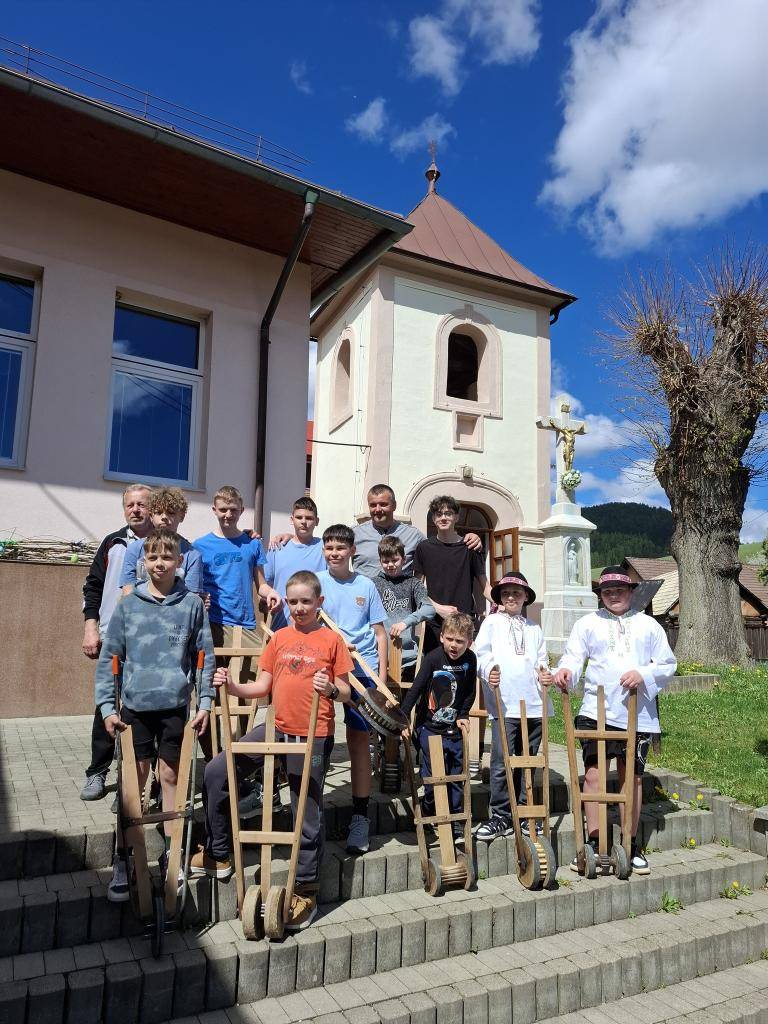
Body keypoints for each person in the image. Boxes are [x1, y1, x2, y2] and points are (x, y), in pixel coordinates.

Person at [192, 570, 354, 930]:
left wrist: (330, 688)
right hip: (276, 728)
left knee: (304, 812)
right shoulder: (279, 638)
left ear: (319, 603)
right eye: (292, 601)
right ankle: (220, 853)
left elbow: (346, 692)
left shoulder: (332, 641)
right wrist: (232, 686)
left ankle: (306, 890)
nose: (298, 608)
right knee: (218, 770)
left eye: (305, 602)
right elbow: (262, 686)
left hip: (312, 735)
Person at [95, 529, 215, 901]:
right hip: (135, 708)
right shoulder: (129, 604)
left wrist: (206, 702)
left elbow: (204, 657)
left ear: (179, 561)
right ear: (143, 562)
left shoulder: (191, 604)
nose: (159, 563)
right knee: (135, 782)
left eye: (167, 557)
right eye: (152, 557)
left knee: (171, 778)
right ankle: (124, 857)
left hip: (175, 708)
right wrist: (107, 707)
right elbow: (109, 657)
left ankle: (171, 856)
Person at [553, 565, 677, 876]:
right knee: (594, 777)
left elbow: (667, 663)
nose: (613, 595)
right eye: (607, 591)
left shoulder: (649, 626)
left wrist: (643, 673)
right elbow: (573, 655)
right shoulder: (588, 623)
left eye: (619, 590)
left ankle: (630, 844)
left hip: (638, 714)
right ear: (601, 595)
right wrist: (566, 671)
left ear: (631, 592)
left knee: (631, 778)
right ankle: (595, 843)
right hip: (596, 711)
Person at [317, 523, 388, 854]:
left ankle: (360, 818)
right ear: (324, 551)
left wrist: (381, 679)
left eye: (340, 548)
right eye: (329, 548)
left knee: (359, 740)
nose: (334, 553)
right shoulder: (316, 583)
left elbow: (380, 632)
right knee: (320, 737)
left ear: (352, 551)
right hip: (326, 666)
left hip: (362, 668)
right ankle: (312, 814)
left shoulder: (366, 585)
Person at [80, 482, 152, 801]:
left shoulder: (162, 544)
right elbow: (93, 587)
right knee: (107, 705)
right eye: (130, 505)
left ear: (153, 508)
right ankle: (97, 772)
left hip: (150, 642)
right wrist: (90, 628)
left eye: (142, 504)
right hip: (113, 636)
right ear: (124, 509)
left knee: (144, 711)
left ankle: (133, 787)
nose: (135, 509)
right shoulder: (113, 542)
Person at [474, 572, 553, 842]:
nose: (511, 598)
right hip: (505, 703)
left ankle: (526, 811)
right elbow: (481, 653)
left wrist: (546, 673)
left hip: (533, 703)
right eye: (506, 593)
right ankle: (500, 815)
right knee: (502, 761)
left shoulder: (533, 628)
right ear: (499, 597)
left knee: (528, 760)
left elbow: (542, 660)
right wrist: (489, 670)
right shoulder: (492, 622)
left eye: (516, 594)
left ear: (525, 598)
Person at [399, 612, 476, 844]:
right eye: (450, 639)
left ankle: (454, 824)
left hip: (454, 730)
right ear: (442, 637)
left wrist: (463, 714)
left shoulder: (470, 660)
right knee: (433, 778)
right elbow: (416, 688)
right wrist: (404, 717)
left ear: (469, 643)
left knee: (455, 778)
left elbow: (470, 690)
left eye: (460, 641)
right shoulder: (433, 659)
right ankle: (429, 808)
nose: (454, 645)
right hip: (430, 729)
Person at [193, 485, 281, 686]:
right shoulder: (200, 545)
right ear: (214, 510)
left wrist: (271, 593)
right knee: (211, 686)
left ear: (241, 511)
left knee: (248, 683)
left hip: (244, 621)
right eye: (223, 509)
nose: (228, 514)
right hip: (212, 622)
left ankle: (242, 720)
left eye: (233, 509)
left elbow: (261, 584)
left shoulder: (252, 543)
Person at [412, 495, 492, 653]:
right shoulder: (424, 548)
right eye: (438, 514)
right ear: (433, 518)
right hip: (434, 624)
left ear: (456, 517)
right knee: (435, 674)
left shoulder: (470, 547)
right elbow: (416, 589)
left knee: (465, 673)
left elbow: (485, 587)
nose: (443, 518)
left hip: (464, 622)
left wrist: (503, 604)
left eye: (448, 513)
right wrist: (437, 608)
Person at [352, 484, 483, 578]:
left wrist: (469, 537)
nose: (378, 509)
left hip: (402, 607)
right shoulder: (354, 535)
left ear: (394, 505)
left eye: (383, 504)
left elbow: (440, 549)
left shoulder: (413, 535)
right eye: (373, 505)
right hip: (364, 605)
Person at [120, 486, 202, 594]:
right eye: (158, 512)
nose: (164, 517)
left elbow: (192, 597)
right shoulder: (134, 549)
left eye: (170, 512)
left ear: (181, 516)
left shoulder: (192, 555)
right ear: (151, 516)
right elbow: (127, 590)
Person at [372, 535, 435, 677]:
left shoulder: (413, 583)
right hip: (379, 658)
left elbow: (429, 609)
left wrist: (405, 623)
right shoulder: (373, 584)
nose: (390, 565)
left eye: (395, 560)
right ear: (380, 561)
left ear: (404, 560)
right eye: (385, 561)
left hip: (409, 658)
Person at [263, 496, 326, 631]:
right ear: (292, 520)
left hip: (316, 627)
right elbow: (265, 586)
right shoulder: (277, 548)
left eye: (309, 518)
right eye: (299, 517)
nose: (304, 522)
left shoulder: (325, 548)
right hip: (281, 626)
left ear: (317, 521)